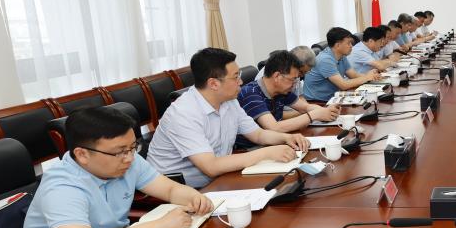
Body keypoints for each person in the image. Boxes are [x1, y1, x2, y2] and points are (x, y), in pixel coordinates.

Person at [22, 106, 215, 228]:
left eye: (133, 147)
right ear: (82, 154)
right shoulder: (62, 187)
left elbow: (170, 189)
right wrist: (160, 225)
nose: (129, 158)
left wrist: (194, 197)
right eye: (120, 151)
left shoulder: (126, 161)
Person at [148, 47, 310, 188]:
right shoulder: (184, 113)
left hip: (219, 178)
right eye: (235, 77)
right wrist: (266, 153)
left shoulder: (229, 101)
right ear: (213, 84)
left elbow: (258, 134)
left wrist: (286, 138)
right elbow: (210, 166)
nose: (241, 81)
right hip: (179, 190)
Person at [238, 50, 339, 136]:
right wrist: (313, 115)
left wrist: (325, 111)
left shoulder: (281, 91)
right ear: (277, 76)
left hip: (276, 140)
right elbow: (274, 127)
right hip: (250, 149)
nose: (295, 84)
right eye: (293, 79)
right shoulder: (250, 94)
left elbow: (305, 107)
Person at [302, 27, 381, 102]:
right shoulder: (325, 60)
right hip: (317, 102)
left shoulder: (341, 55)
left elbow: (353, 75)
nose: (351, 46)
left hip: (334, 97)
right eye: (348, 43)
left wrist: (371, 76)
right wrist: (366, 77)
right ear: (338, 45)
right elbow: (343, 85)